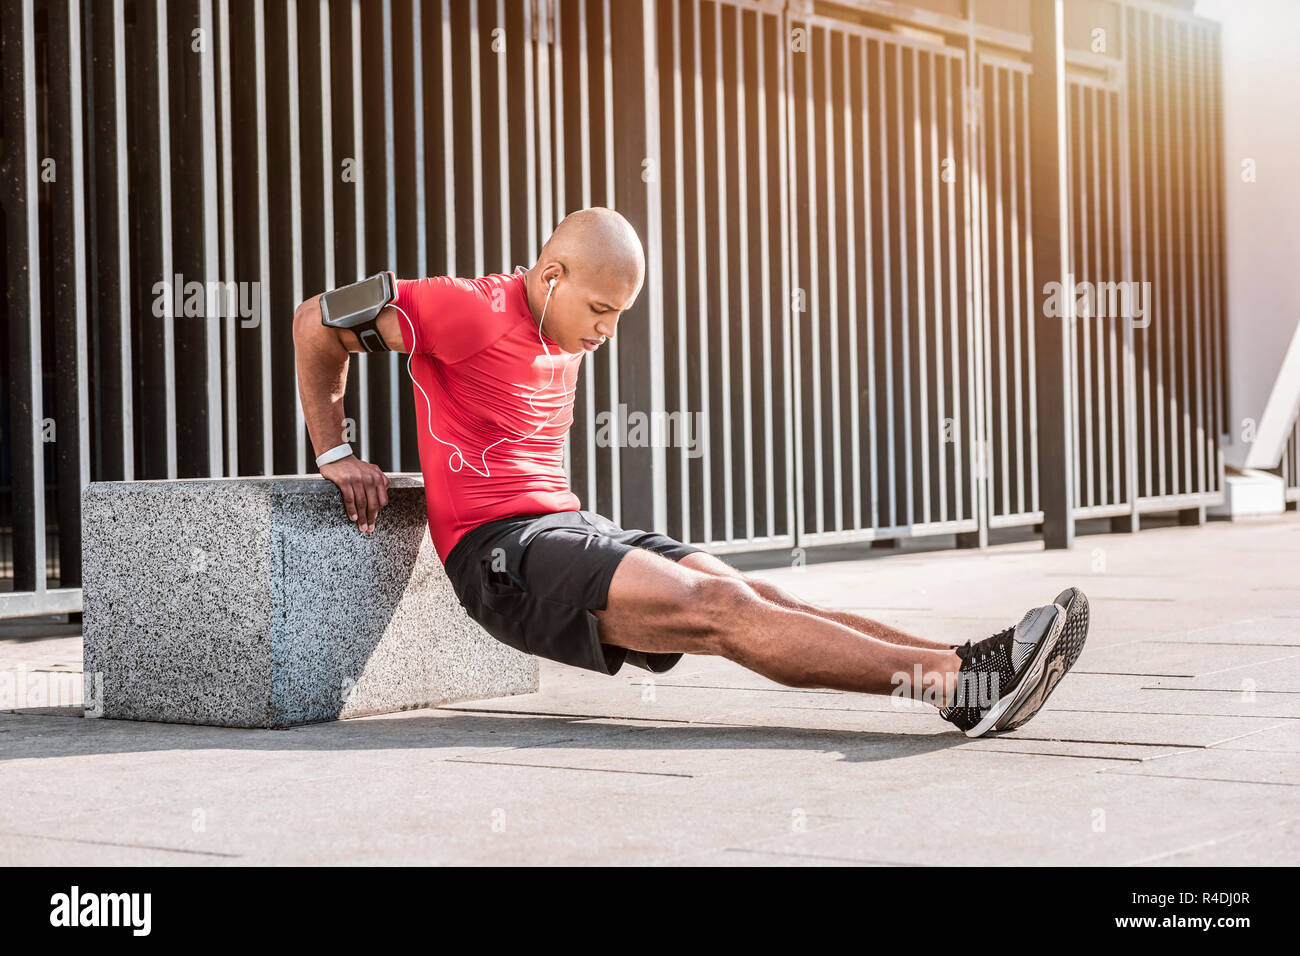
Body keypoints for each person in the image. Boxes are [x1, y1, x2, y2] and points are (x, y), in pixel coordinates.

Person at [292, 206, 1089, 738]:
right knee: (716, 608)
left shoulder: (561, 330)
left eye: (620, 316)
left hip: (567, 524)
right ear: (552, 276)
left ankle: (970, 669)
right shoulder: (464, 308)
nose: (606, 331)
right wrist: (335, 451)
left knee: (757, 596)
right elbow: (315, 321)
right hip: (502, 555)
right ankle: (959, 687)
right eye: (599, 310)